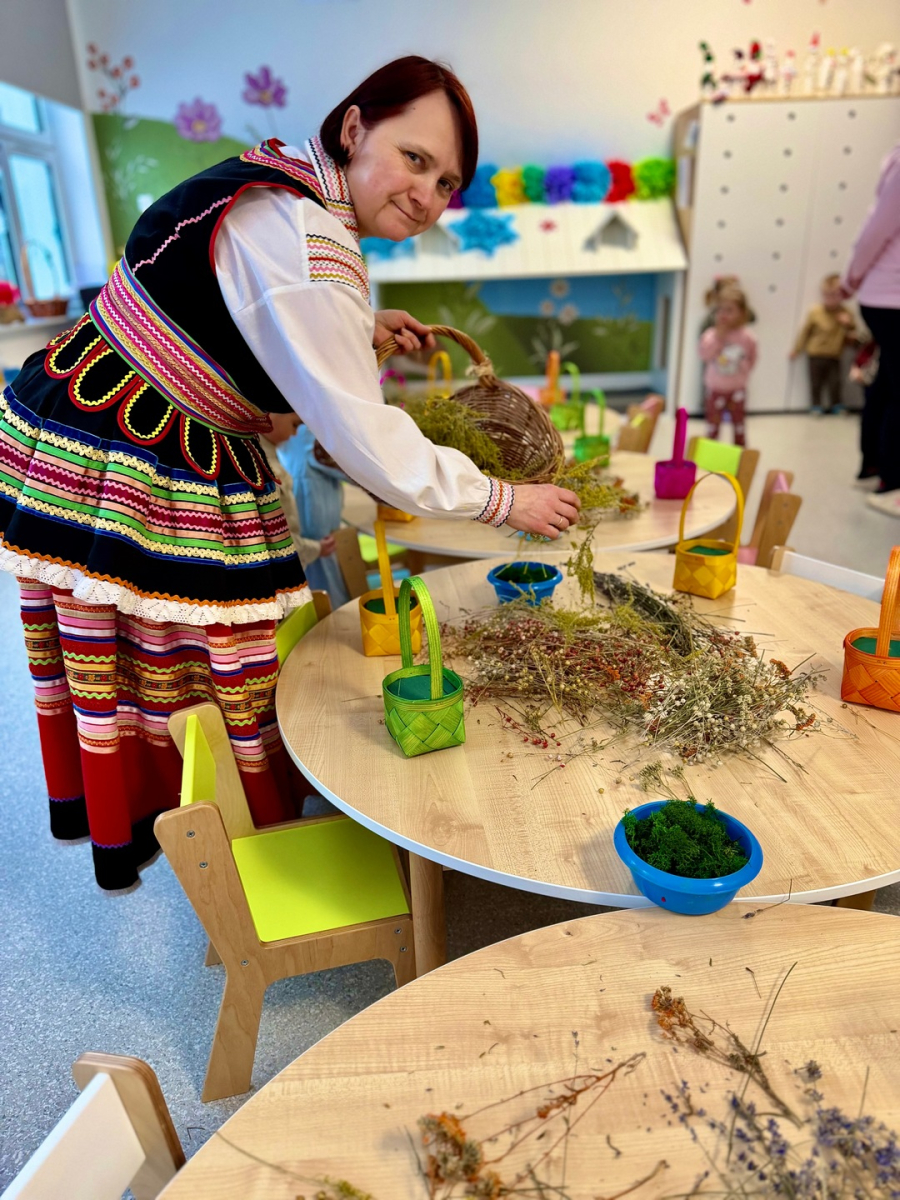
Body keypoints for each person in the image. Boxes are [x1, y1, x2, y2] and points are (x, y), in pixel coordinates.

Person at [0, 56, 580, 889]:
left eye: (447, 182)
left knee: (163, 652)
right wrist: (502, 499)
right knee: (193, 657)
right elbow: (366, 438)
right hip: (137, 442)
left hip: (103, 404)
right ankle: (236, 854)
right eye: (415, 159)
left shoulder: (286, 182)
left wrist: (357, 325)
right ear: (355, 127)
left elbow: (245, 306)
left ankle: (201, 824)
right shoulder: (309, 239)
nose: (427, 196)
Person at [840, 140, 900, 512]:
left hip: (885, 296)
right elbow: (877, 229)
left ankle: (874, 468)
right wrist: (851, 277)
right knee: (896, 390)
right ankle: (893, 483)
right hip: (891, 297)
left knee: (887, 385)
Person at [258, 410, 336, 570]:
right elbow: (276, 538)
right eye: (295, 424)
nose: (295, 433)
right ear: (270, 413)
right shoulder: (263, 466)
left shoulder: (269, 456)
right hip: (291, 555)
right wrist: (316, 549)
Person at [789, 273, 858, 414]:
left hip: (834, 354)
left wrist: (848, 323)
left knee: (835, 383)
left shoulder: (845, 313)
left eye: (835, 295)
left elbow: (854, 331)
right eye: (828, 295)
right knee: (816, 383)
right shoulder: (816, 312)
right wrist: (797, 349)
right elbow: (805, 332)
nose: (831, 298)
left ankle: (837, 405)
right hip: (815, 353)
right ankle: (816, 406)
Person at [698, 284, 757, 446]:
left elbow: (752, 358)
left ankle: (741, 455)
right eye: (720, 310)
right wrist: (718, 338)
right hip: (715, 389)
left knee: (739, 426)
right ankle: (709, 454)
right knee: (712, 426)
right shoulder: (711, 335)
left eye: (729, 310)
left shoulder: (747, 337)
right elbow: (704, 355)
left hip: (737, 389)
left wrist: (742, 371)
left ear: (742, 313)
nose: (723, 314)